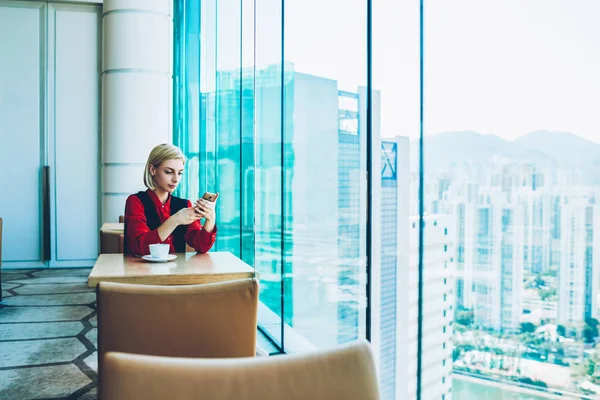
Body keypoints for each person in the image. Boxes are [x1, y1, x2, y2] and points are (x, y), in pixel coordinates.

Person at [124, 143, 217, 255]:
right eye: (169, 172)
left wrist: (210, 220)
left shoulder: (184, 204)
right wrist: (175, 220)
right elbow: (139, 246)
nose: (176, 179)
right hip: (143, 270)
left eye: (180, 173)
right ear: (152, 170)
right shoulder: (135, 202)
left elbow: (200, 246)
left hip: (176, 270)